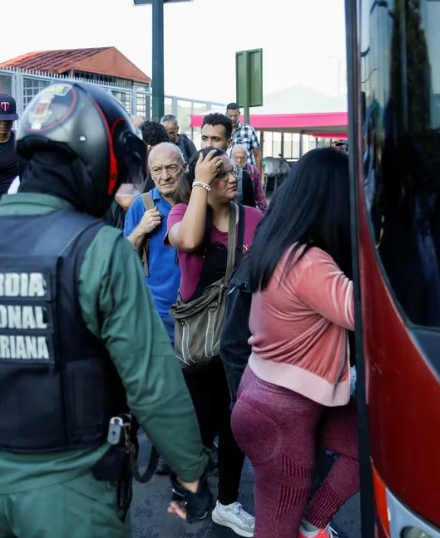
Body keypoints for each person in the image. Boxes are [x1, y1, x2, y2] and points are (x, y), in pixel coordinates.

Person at [0, 81, 214, 538]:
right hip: (74, 493)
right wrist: (190, 472)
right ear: (94, 159)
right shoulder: (100, 249)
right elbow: (152, 382)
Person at [230, 148, 360, 538]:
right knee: (274, 531)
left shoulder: (281, 244)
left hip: (272, 401)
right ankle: (306, 526)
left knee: (364, 442)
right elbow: (367, 311)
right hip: (281, 416)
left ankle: (310, 524)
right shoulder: (309, 260)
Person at [167, 147, 264, 537]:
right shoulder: (183, 215)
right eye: (220, 173)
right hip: (199, 348)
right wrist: (201, 185)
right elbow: (187, 241)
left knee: (234, 426)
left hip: (243, 345)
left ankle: (227, 503)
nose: (232, 177)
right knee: (198, 430)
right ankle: (185, 493)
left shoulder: (255, 217)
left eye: (232, 170)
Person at [124, 142, 184, 342]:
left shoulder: (197, 202)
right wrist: (140, 230)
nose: (165, 176)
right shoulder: (141, 205)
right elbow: (123, 261)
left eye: (171, 168)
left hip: (195, 311)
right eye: (157, 170)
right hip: (155, 313)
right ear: (150, 172)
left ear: (184, 168)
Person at [201, 113, 256, 208]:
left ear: (229, 143)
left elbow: (250, 215)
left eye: (216, 139)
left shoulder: (242, 177)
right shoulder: (190, 174)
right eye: (204, 138)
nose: (209, 144)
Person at [225, 103, 264, 186]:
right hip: (228, 177)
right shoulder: (222, 131)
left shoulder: (249, 130)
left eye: (235, 116)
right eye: (230, 116)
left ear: (239, 114)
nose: (233, 118)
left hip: (248, 175)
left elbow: (258, 156)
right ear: (226, 114)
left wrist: (259, 178)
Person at [231, 144, 267, 212]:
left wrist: (264, 212)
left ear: (246, 157)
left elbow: (260, 194)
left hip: (249, 207)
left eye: (242, 158)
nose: (239, 161)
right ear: (232, 157)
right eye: (236, 158)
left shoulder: (253, 170)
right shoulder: (227, 170)